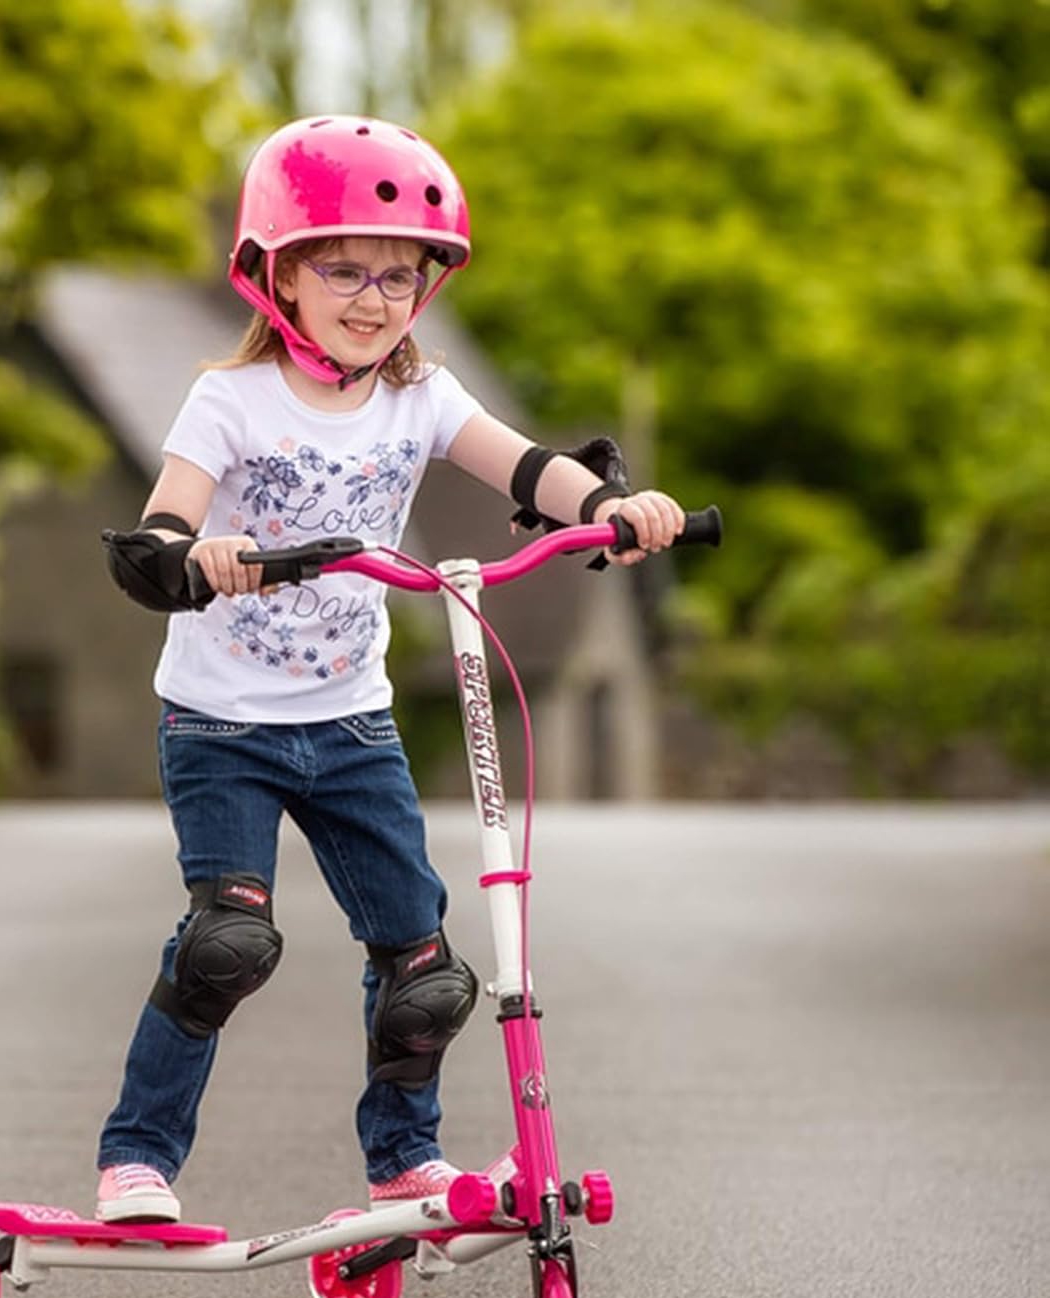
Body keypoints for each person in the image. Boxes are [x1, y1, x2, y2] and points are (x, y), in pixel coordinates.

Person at [96, 115, 685, 1223]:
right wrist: (195, 556)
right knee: (228, 944)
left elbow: (529, 468)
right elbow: (163, 522)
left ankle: (405, 1160)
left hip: (351, 723)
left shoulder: (424, 398)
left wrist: (615, 505)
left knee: (425, 969)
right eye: (344, 270)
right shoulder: (230, 400)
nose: (373, 300)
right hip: (223, 722)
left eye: (400, 277)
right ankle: (137, 1160)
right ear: (279, 274)